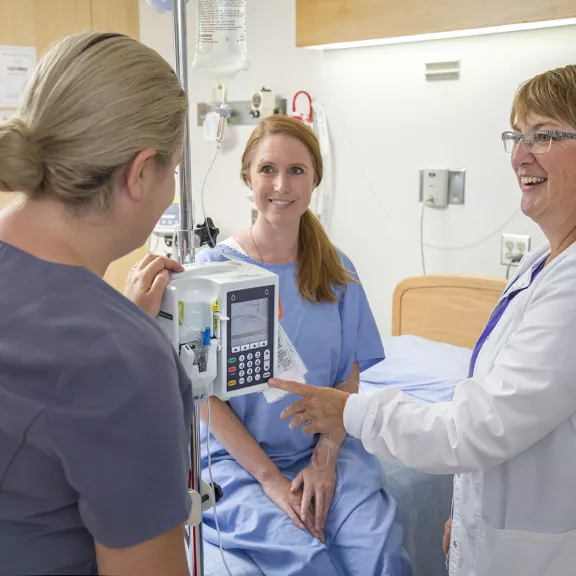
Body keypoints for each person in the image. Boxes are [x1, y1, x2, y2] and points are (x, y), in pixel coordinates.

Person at [270, 64, 576, 576]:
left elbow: (478, 424)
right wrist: (466, 509)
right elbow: (490, 398)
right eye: (517, 136)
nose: (520, 154)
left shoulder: (337, 268)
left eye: (543, 135)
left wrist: (351, 413)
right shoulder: (538, 265)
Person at [0, 32, 193, 576]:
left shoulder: (103, 343)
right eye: (173, 171)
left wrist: (111, 313)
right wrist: (118, 332)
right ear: (140, 172)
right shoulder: (121, 362)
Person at [196, 115, 412, 575]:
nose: (282, 184)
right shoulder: (213, 269)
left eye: (297, 171)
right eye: (267, 169)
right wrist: (271, 481)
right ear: (247, 176)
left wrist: (325, 461)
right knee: (305, 562)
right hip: (237, 458)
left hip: (327, 445)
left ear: (315, 179)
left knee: (382, 555)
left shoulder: (337, 271)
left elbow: (347, 379)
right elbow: (205, 398)